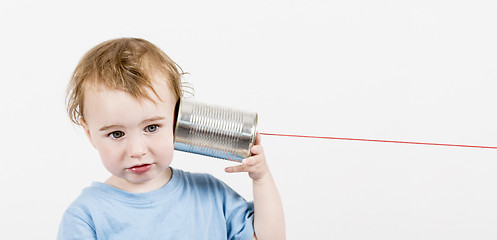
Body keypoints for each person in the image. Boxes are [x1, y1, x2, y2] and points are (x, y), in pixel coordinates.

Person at [57, 38, 285, 240]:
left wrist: (261, 178)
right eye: (116, 134)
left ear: (178, 121)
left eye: (152, 127)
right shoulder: (85, 217)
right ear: (90, 135)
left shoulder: (211, 195)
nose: (136, 150)